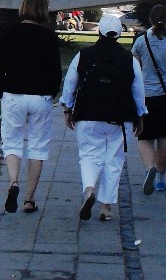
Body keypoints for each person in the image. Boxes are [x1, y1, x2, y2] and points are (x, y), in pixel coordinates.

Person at [61, 15, 147, 222]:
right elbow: (138, 91)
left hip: (87, 114)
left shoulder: (83, 56)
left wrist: (68, 109)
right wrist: (140, 115)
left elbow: (70, 84)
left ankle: (89, 189)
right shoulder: (129, 60)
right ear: (120, 34)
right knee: (114, 160)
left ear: (98, 32)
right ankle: (106, 206)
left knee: (89, 156)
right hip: (120, 116)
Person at [0, 0, 62, 214]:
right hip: (40, 96)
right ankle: (29, 199)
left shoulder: (9, 33)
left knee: (11, 142)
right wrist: (52, 92)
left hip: (13, 94)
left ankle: (13, 181)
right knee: (37, 147)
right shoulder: (49, 37)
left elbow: (0, 67)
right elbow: (55, 71)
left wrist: (1, 90)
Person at [131, 4, 166, 195]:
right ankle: (161, 179)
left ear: (150, 19)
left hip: (147, 95)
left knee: (144, 137)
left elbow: (136, 72)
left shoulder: (140, 42)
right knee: (164, 136)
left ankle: (150, 168)